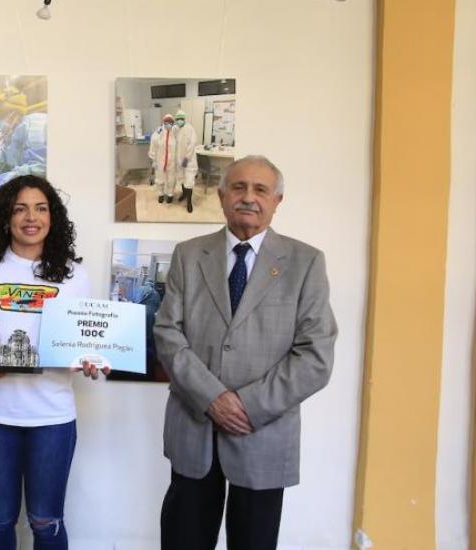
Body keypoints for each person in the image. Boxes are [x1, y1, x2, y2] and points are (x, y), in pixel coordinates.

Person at [154, 155, 337, 550]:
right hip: (194, 428)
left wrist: (246, 405)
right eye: (238, 187)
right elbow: (168, 332)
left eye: (260, 189)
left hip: (264, 433)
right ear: (221, 196)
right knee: (183, 540)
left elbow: (316, 356)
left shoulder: (306, 263)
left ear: (277, 200)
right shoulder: (189, 255)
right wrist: (212, 399)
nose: (248, 197)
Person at [0, 175, 105, 550]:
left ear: (53, 217)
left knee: (46, 521)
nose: (30, 217)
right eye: (20, 208)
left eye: (40, 208)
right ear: (6, 217)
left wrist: (89, 359)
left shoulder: (73, 275)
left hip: (52, 419)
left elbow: (84, 339)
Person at [173, 110, 199, 213]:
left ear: (184, 119)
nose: (180, 121)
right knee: (182, 179)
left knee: (189, 182)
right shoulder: (175, 129)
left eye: (181, 119)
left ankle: (189, 202)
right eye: (178, 119)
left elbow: (192, 145)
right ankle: (184, 194)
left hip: (189, 161)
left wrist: (186, 159)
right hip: (179, 160)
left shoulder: (189, 129)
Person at [148, 114, 178, 204]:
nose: (168, 124)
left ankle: (170, 194)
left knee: (171, 179)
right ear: (163, 122)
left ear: (173, 123)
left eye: (170, 122)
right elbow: (153, 145)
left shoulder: (176, 132)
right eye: (166, 122)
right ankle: (160, 194)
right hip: (160, 160)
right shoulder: (158, 132)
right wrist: (153, 159)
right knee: (159, 178)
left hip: (172, 161)